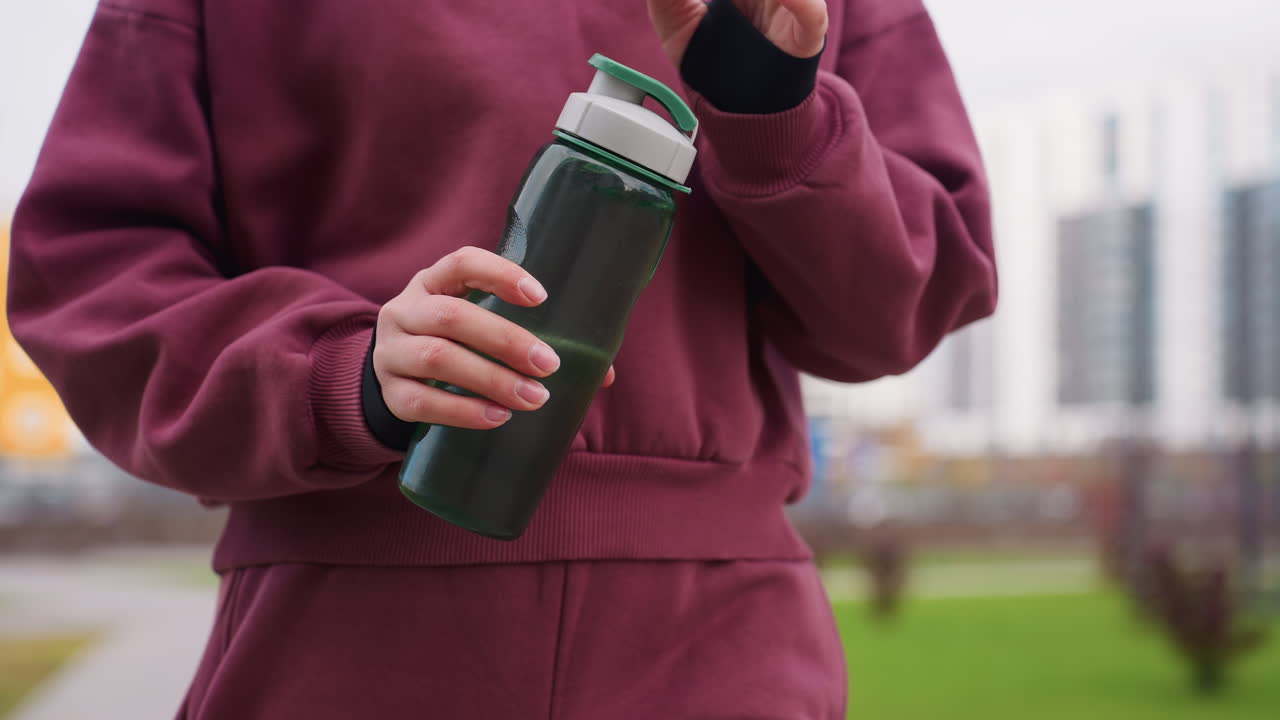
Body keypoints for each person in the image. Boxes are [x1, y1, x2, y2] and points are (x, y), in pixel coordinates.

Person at [8, 0, 996, 717]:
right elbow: (93, 281)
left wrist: (772, 106)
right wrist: (339, 376)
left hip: (719, 656)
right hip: (344, 653)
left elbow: (908, 303)